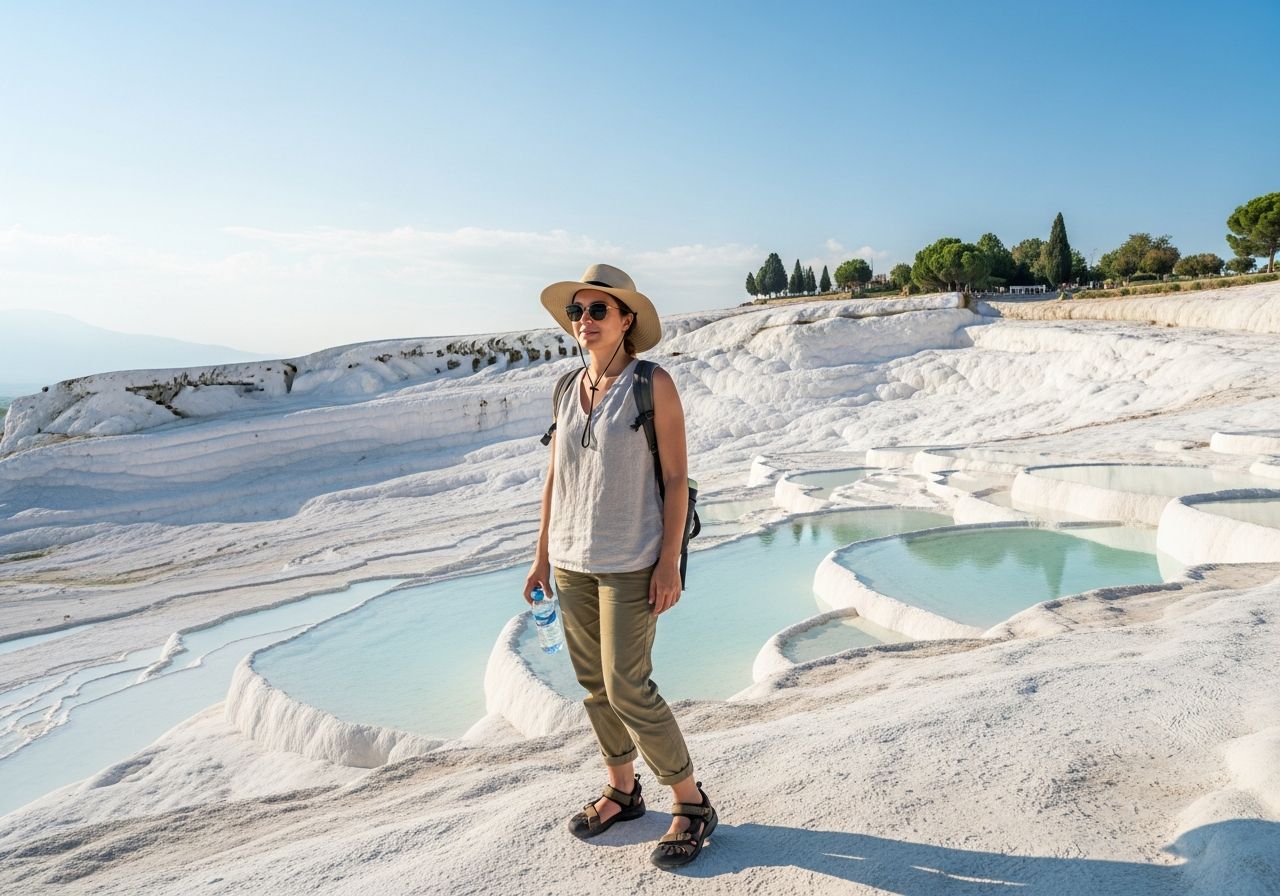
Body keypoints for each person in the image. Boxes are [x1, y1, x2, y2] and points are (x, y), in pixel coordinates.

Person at [524, 263, 717, 870]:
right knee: (593, 688)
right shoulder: (565, 388)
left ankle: (689, 802)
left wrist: (669, 563)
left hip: (631, 560)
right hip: (572, 559)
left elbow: (678, 478)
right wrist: (540, 557)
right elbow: (556, 475)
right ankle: (624, 789)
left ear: (626, 319)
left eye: (598, 310)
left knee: (628, 686)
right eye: (577, 311)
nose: (584, 321)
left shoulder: (651, 383)